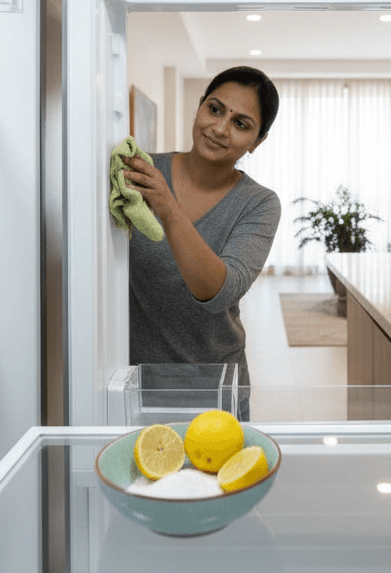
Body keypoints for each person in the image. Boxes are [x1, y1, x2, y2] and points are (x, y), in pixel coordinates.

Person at [119, 66, 281, 419]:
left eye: (241, 124)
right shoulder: (142, 172)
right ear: (200, 107)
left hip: (215, 383)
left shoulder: (259, 203)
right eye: (215, 109)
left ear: (257, 141)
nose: (220, 128)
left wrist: (167, 207)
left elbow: (220, 291)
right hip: (133, 380)